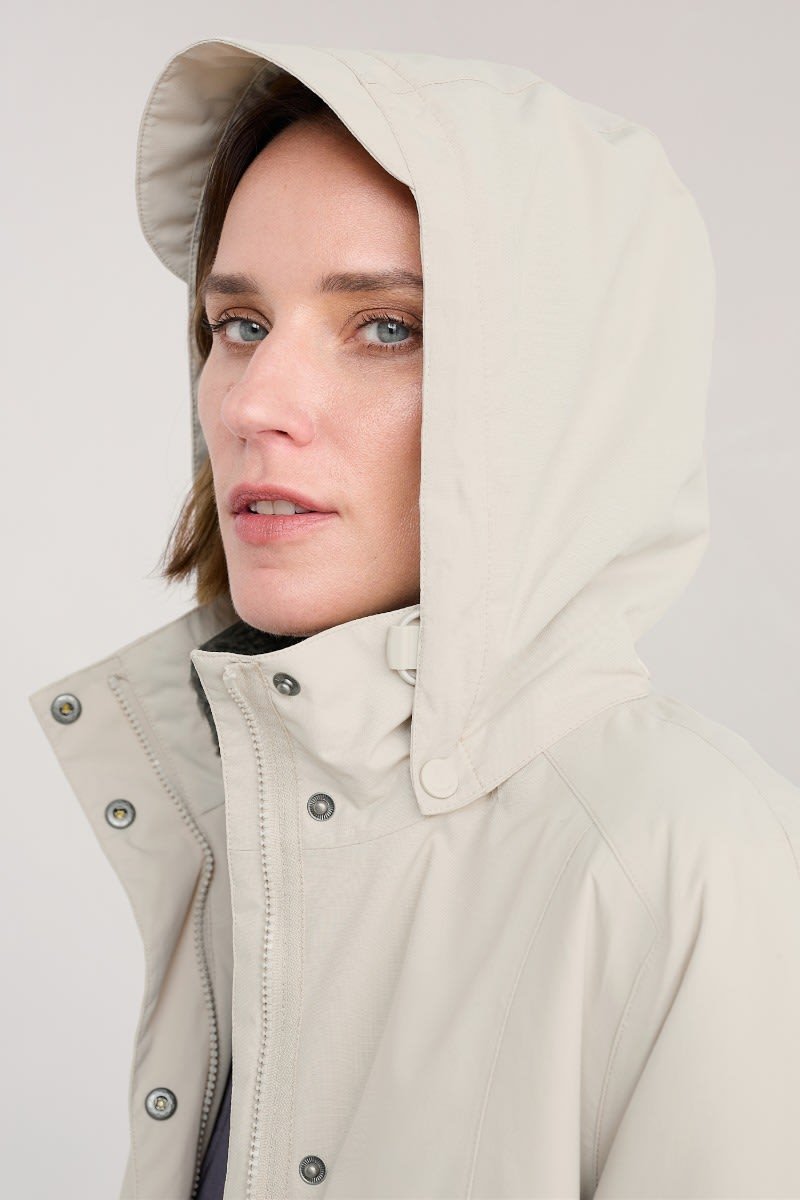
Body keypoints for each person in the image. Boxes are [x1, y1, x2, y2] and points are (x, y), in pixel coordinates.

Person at [27, 36, 800, 1200]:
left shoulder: (689, 869)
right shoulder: (247, 806)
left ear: (562, 399)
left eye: (387, 326)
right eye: (240, 323)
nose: (253, 403)